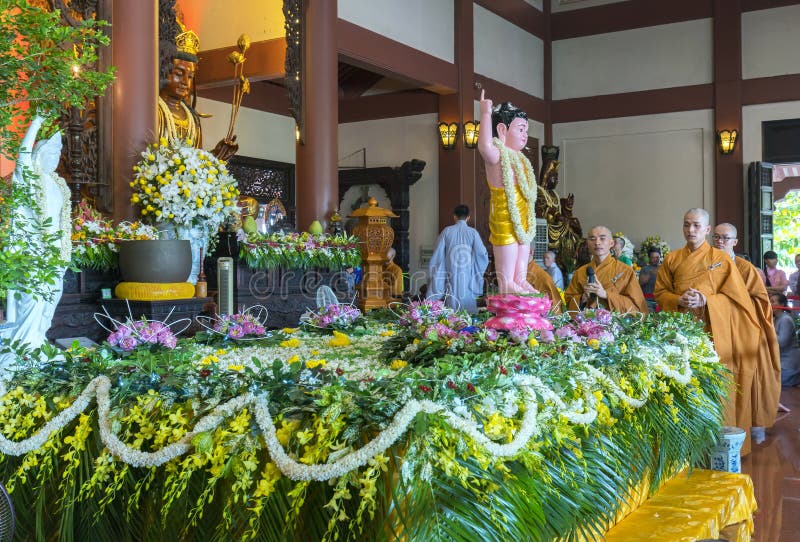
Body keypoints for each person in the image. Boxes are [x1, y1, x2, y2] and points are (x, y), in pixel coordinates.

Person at [654, 209, 761, 455]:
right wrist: (678, 299)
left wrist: (706, 300)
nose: (690, 230)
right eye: (686, 225)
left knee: (718, 390)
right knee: (682, 388)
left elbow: (738, 300)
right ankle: (684, 450)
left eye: (696, 225)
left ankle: (721, 449)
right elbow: (660, 294)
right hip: (680, 334)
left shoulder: (721, 260)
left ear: (707, 229)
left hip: (714, 334)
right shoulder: (672, 259)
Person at [1, 116, 71, 363]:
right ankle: (24, 346)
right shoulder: (31, 179)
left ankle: (37, 341)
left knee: (48, 304)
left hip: (55, 256)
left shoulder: (58, 185)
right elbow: (21, 157)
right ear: (38, 157)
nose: (54, 159)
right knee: (31, 303)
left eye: (57, 155)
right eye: (50, 154)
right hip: (33, 255)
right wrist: (37, 122)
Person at [713, 223, 781, 445]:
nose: (720, 241)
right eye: (716, 237)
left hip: (743, 332)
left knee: (745, 378)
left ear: (735, 241)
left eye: (725, 238)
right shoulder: (708, 265)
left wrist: (729, 302)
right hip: (714, 330)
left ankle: (748, 425)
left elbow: (761, 302)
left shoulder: (746, 269)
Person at [477, 90, 537, 294]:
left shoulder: (521, 159)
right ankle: (509, 286)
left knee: (522, 255)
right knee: (508, 264)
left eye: (526, 130)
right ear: (502, 129)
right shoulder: (498, 154)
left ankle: (520, 281)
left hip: (523, 219)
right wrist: (485, 114)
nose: (525, 134)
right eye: (520, 129)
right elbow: (484, 146)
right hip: (505, 217)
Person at [158, 25, 238, 160]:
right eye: (178, 74)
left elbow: (194, 161)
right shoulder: (153, 110)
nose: (185, 82)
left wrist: (214, 156)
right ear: (163, 72)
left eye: (190, 77)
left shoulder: (192, 118)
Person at [564, 226, 648, 313]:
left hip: (615, 325)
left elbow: (636, 307)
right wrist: (583, 298)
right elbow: (568, 303)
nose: (597, 242)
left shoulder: (625, 271)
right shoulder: (580, 272)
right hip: (586, 324)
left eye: (602, 238)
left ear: (611, 243)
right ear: (588, 244)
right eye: (592, 239)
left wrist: (605, 294)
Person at [428, 204, 489, 313]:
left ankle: (451, 326)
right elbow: (482, 255)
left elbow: (438, 254)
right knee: (467, 303)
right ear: (468, 217)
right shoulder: (473, 233)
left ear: (454, 216)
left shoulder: (447, 231)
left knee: (451, 303)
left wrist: (438, 270)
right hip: (468, 275)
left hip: (450, 273)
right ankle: (468, 326)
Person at [771, 293, 800, 387]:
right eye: (770, 301)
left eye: (773, 301)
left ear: (782, 305)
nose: (770, 303)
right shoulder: (776, 319)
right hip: (781, 362)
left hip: (788, 364)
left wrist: (767, 333)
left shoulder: (785, 320)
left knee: (771, 384)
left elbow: (781, 343)